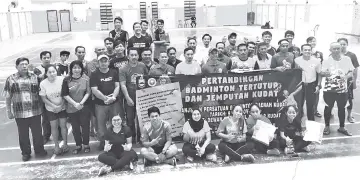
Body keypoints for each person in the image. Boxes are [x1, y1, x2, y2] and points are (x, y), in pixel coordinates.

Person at [3, 57, 47, 162]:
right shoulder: (11, 79)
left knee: (37, 133)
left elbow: (42, 91)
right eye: (21, 64)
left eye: (26, 64)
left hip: (35, 110)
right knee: (23, 135)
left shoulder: (35, 77)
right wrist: (9, 111)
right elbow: (8, 96)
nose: (24, 66)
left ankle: (39, 150)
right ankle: (26, 153)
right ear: (16, 66)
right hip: (19, 112)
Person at [321, 42, 353, 136]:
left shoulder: (347, 59)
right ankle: (327, 126)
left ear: (341, 49)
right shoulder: (326, 60)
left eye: (338, 48)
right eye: (334, 49)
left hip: (342, 89)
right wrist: (325, 73)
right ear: (330, 50)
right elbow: (322, 72)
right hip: (329, 89)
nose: (336, 50)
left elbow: (351, 72)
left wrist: (346, 77)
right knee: (328, 108)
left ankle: (342, 127)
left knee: (342, 108)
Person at [90, 54, 121, 150]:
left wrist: (113, 97)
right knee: (101, 125)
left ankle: (115, 141)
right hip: (100, 104)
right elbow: (94, 90)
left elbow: (117, 86)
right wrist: (105, 98)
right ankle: (103, 142)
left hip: (114, 103)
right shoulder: (94, 74)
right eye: (101, 61)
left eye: (105, 61)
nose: (103, 63)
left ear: (108, 62)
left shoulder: (114, 72)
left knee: (115, 122)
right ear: (98, 63)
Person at [61, 60, 91, 154]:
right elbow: (65, 94)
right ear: (71, 69)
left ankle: (86, 144)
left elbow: (88, 92)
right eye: (74, 68)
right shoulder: (66, 80)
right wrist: (75, 104)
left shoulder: (86, 79)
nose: (76, 70)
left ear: (82, 68)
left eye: (78, 67)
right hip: (71, 108)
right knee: (75, 127)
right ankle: (78, 145)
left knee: (85, 127)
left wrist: (81, 103)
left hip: (84, 106)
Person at [119, 47, 149, 141]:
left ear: (138, 56)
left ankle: (141, 138)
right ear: (128, 56)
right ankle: (131, 138)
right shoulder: (123, 69)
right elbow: (123, 85)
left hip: (142, 97)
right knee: (130, 120)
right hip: (130, 97)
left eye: (135, 55)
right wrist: (127, 98)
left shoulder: (142, 66)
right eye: (131, 55)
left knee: (142, 119)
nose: (134, 57)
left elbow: (147, 80)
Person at [39, 65, 69, 155]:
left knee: (63, 126)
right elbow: (44, 99)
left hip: (62, 107)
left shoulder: (62, 79)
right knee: (54, 126)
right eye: (50, 72)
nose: (52, 74)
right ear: (46, 73)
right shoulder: (43, 83)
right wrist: (54, 107)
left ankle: (65, 144)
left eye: (54, 71)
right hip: (51, 109)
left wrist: (61, 105)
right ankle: (56, 146)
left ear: (56, 72)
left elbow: (65, 94)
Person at [294, 44, 321, 121]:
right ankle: (297, 125)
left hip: (311, 85)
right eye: (305, 50)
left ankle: (311, 125)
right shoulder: (297, 60)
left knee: (310, 106)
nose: (307, 51)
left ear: (311, 51)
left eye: (309, 50)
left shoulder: (316, 61)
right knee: (298, 105)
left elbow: (319, 74)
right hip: (300, 85)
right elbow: (295, 73)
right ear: (302, 51)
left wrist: (318, 85)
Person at [338, 38, 358, 123]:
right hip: (337, 82)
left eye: (344, 44)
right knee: (335, 98)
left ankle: (349, 116)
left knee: (349, 99)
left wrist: (354, 81)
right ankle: (331, 112)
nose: (342, 46)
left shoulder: (352, 55)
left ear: (347, 45)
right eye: (340, 44)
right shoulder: (334, 54)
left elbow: (356, 69)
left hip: (348, 81)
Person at [307, 36, 323, 118]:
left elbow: (321, 68)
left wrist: (320, 82)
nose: (312, 43)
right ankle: (303, 111)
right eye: (310, 41)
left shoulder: (319, 54)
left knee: (316, 94)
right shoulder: (304, 53)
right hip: (306, 78)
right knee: (304, 95)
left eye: (314, 41)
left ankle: (315, 110)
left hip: (316, 77)